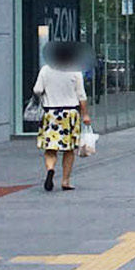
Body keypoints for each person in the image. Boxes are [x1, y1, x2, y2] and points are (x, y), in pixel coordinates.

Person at [31, 42, 90, 192]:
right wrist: (85, 115)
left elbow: (37, 90)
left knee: (51, 148)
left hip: (51, 114)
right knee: (69, 149)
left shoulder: (46, 70)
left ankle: (50, 169)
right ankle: (65, 181)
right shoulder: (75, 71)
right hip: (69, 114)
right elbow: (81, 96)